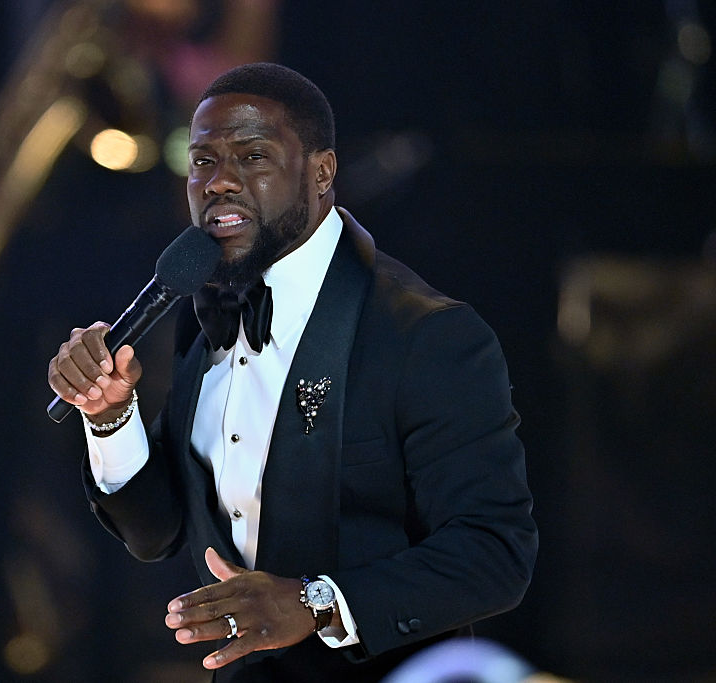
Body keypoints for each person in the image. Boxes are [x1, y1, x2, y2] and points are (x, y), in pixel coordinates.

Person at [47, 62, 538, 682]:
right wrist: (112, 416)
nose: (219, 182)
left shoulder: (427, 336)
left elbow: (495, 554)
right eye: (202, 161)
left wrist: (315, 602)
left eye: (253, 157)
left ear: (322, 172)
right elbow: (159, 533)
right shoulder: (206, 312)